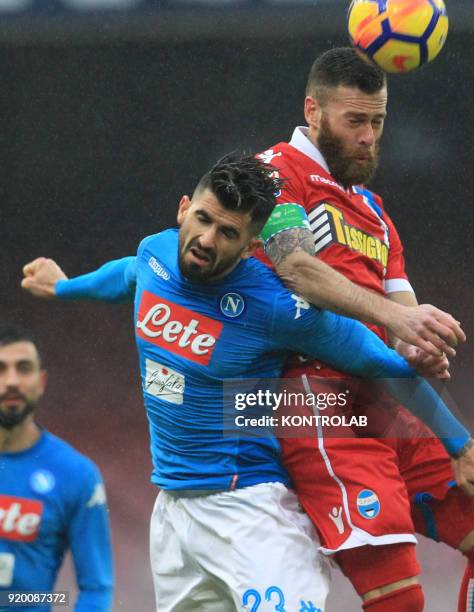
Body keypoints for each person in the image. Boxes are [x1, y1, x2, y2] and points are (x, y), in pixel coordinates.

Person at [21, 153, 474, 612]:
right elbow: (124, 276)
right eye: (201, 220)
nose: (205, 240)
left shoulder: (276, 307)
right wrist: (65, 286)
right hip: (174, 516)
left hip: (252, 514)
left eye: (227, 233)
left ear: (251, 243)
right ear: (184, 208)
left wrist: (458, 442)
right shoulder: (155, 253)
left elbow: (383, 364)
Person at [252, 47, 474, 611]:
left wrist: (419, 346)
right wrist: (397, 318)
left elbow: (405, 323)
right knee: (400, 599)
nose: (369, 137)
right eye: (355, 121)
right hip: (318, 399)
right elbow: (296, 267)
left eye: (377, 122)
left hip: (386, 398)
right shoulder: (272, 173)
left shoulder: (375, 212)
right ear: (314, 111)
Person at [0, 324, 114, 612]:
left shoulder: (76, 475)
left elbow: (96, 588)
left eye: (23, 368)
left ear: (41, 381)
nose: (11, 381)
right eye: (1, 369)